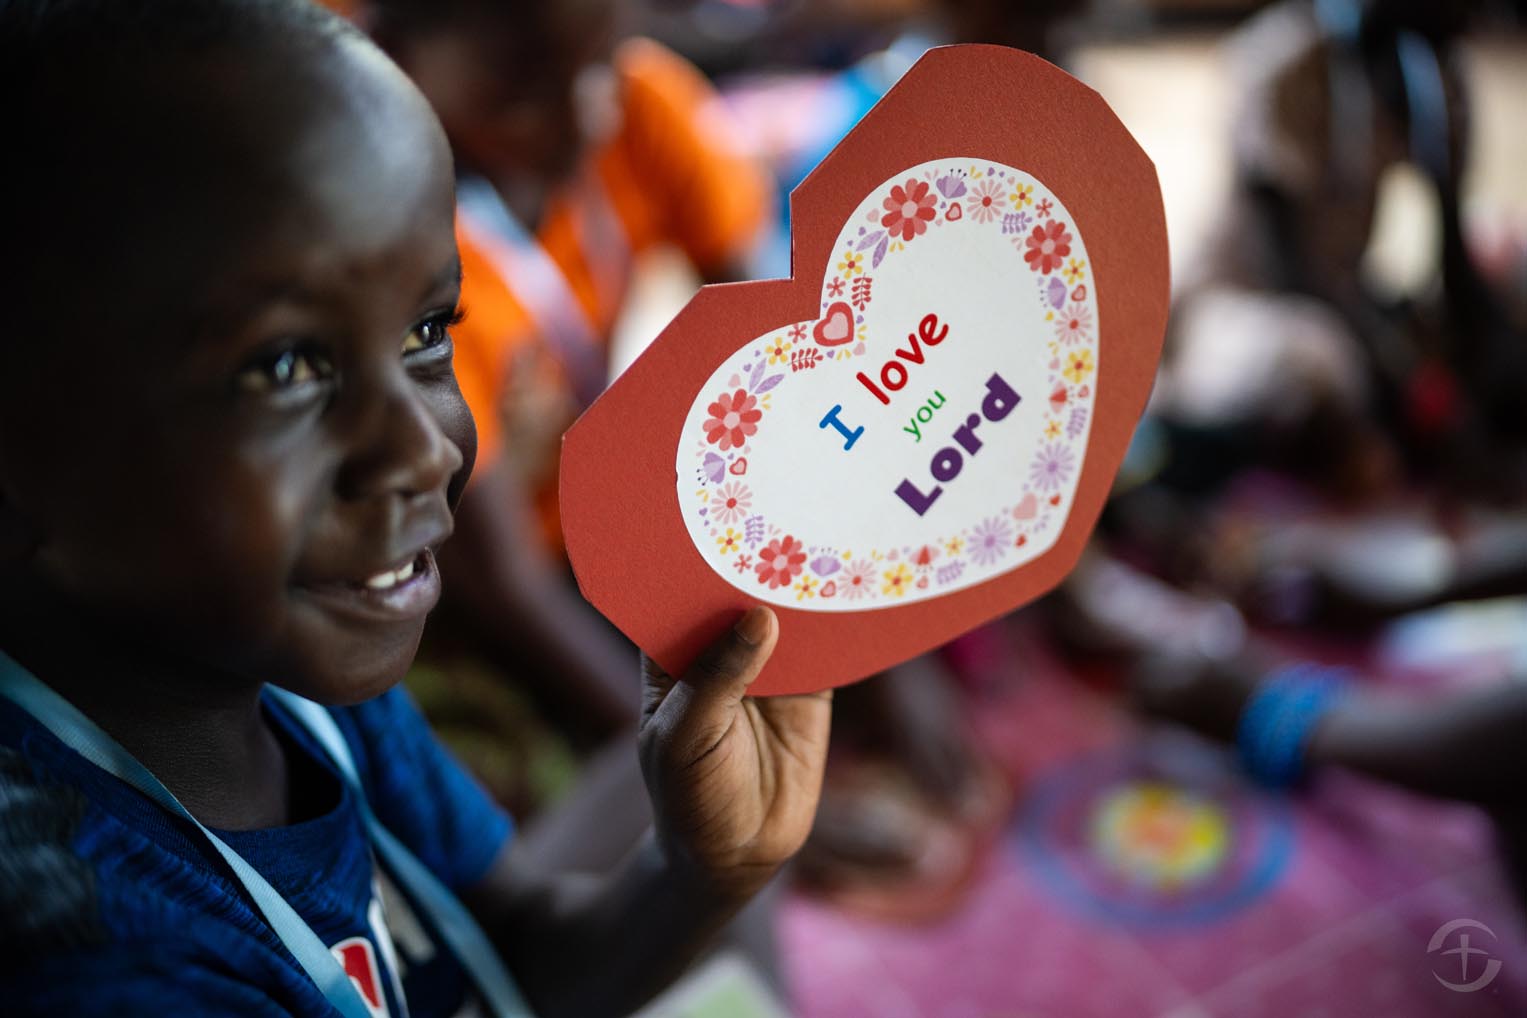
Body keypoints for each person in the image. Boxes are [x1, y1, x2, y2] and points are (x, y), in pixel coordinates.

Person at [0, 2, 831, 1016]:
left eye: (426, 331)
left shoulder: (292, 677)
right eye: (286, 368)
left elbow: (513, 945)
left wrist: (709, 872)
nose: (426, 445)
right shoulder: (103, 971)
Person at [354, 0, 776, 738]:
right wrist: (689, 747)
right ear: (404, 63)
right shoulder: (418, 265)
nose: (589, 115)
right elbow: (509, 583)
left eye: (599, 68)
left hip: (610, 511)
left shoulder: (640, 99)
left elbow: (785, 354)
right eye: (528, 93)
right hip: (497, 582)